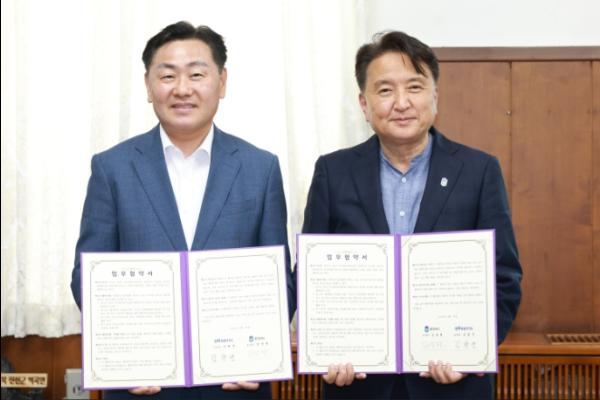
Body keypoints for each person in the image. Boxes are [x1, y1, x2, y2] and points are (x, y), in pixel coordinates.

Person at [71, 21, 294, 399]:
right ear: (148, 86)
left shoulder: (261, 168)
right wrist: (123, 356)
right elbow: (87, 276)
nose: (182, 88)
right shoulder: (112, 168)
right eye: (167, 75)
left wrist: (258, 354)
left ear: (222, 82)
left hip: (235, 384)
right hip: (142, 384)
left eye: (196, 74)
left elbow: (279, 282)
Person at [302, 31, 522, 399]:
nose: (401, 103)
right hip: (359, 385)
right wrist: (326, 352)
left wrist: (472, 355)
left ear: (435, 96)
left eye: (415, 87)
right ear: (364, 104)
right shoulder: (333, 172)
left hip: (453, 387)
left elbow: (505, 277)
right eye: (385, 90)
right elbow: (311, 279)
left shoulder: (479, 170)